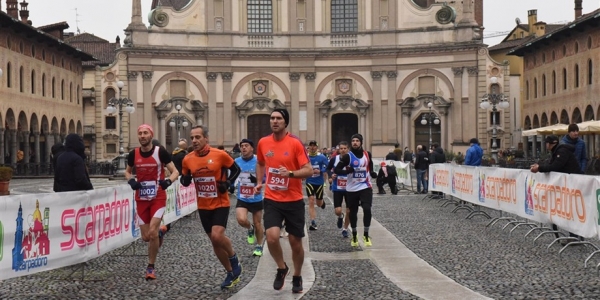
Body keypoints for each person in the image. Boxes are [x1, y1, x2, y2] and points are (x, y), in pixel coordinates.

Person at [254, 108, 313, 293]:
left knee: (296, 242)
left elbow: (309, 170)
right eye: (272, 118)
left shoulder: (295, 143)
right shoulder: (263, 142)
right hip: (272, 198)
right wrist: (259, 181)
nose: (274, 121)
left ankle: (297, 275)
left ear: (285, 122)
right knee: (271, 237)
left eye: (278, 118)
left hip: (294, 199)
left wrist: (290, 174)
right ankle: (281, 268)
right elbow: (261, 162)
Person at [179, 125, 242, 289]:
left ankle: (234, 258)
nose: (194, 140)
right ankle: (230, 272)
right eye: (192, 137)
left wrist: (228, 183)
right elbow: (185, 177)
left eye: (198, 137)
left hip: (220, 203)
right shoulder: (188, 158)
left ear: (206, 138)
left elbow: (236, 169)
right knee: (215, 243)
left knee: (217, 236)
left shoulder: (219, 155)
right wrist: (184, 180)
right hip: (203, 205)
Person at [125, 124, 179, 280]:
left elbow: (175, 171)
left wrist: (168, 181)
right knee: (146, 237)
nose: (142, 136)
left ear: (151, 135)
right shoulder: (133, 154)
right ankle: (162, 231)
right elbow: (127, 171)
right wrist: (131, 181)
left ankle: (150, 267)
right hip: (141, 197)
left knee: (152, 232)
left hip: (158, 196)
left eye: (145, 133)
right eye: (140, 133)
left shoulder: (159, 151)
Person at [530, 135, 583, 244]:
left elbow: (555, 166)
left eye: (546, 143)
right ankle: (575, 235)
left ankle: (575, 236)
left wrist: (539, 168)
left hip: (573, 184)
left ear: (550, 144)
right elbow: (550, 163)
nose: (546, 145)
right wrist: (539, 165)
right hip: (566, 185)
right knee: (567, 209)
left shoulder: (562, 151)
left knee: (570, 209)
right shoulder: (556, 151)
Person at [334, 133, 378, 247]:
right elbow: (337, 169)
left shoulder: (367, 154)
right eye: (353, 141)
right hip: (352, 189)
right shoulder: (348, 156)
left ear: (361, 142)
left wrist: (372, 173)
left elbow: (370, 164)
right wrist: (346, 172)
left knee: (367, 209)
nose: (355, 142)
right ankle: (354, 235)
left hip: (365, 186)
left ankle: (366, 234)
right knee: (352, 213)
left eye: (357, 141)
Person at [233, 138, 265, 257]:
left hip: (256, 197)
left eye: (246, 146)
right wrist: (230, 185)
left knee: (258, 223)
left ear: (252, 148)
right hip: (242, 197)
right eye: (242, 146)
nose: (244, 148)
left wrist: (258, 182)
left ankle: (259, 245)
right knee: (241, 219)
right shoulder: (236, 161)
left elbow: (265, 176)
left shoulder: (259, 161)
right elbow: (233, 175)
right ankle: (249, 227)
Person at [327, 141, 351, 238]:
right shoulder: (334, 159)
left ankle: (345, 229)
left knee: (349, 210)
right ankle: (340, 216)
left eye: (345, 148)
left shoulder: (352, 160)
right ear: (339, 149)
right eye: (341, 148)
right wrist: (330, 175)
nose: (343, 150)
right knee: (338, 210)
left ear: (348, 149)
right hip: (337, 188)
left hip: (349, 188)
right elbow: (328, 169)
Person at [306, 140, 329, 231]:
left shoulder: (322, 157)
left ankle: (322, 202)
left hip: (319, 183)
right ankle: (313, 221)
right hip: (309, 182)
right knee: (311, 200)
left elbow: (327, 166)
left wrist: (321, 171)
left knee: (318, 203)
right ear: (308, 147)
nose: (312, 147)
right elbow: (301, 166)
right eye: (311, 145)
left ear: (317, 147)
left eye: (314, 146)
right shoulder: (306, 157)